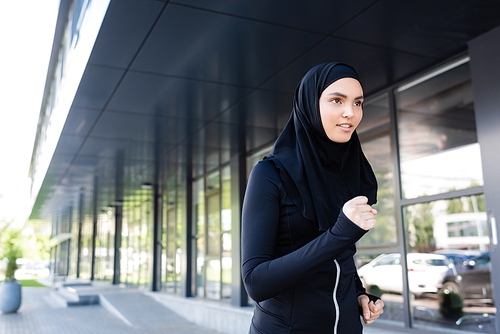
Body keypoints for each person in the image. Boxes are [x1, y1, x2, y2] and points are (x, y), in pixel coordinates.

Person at [241, 62, 385, 334]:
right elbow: (255, 283)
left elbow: (341, 260)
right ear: (309, 104)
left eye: (358, 103)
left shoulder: (350, 173)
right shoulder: (270, 175)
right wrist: (340, 233)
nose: (350, 113)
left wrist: (359, 294)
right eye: (336, 100)